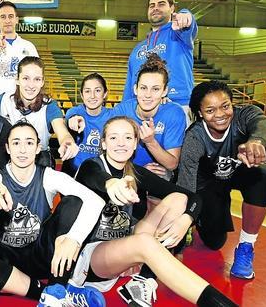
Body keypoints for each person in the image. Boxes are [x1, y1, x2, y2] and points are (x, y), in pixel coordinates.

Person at [71, 116, 237, 307]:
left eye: (127, 138)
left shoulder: (135, 172)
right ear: (104, 144)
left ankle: (143, 280)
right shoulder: (90, 166)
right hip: (89, 257)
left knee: (178, 199)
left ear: (135, 144)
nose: (121, 143)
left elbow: (193, 199)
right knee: (145, 243)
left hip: (124, 247)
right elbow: (96, 177)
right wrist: (112, 184)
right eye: (114, 138)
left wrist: (186, 220)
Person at [0, 121, 107, 306]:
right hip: (7, 258)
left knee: (74, 202)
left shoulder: (49, 176)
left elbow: (96, 200)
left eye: (29, 143)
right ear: (7, 148)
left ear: (38, 148)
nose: (22, 149)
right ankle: (48, 294)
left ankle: (56, 287)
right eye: (16, 143)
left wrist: (74, 238)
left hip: (41, 254)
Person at [177, 80, 266, 280]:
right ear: (200, 113)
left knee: (263, 174)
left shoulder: (243, 117)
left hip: (240, 173)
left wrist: (256, 140)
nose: (220, 114)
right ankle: (199, 222)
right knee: (214, 243)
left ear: (232, 104)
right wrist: (185, 220)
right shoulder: (194, 138)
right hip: (209, 185)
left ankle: (246, 248)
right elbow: (186, 187)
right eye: (211, 110)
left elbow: (262, 123)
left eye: (225, 106)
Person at [122, 0, 197, 121]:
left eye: (161, 4)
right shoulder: (137, 49)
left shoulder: (178, 34)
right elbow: (129, 87)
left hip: (178, 105)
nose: (155, 8)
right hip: (142, 112)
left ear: (172, 8)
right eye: (152, 5)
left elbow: (188, 24)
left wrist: (186, 15)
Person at [113, 54, 186, 180]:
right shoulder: (121, 111)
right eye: (143, 88)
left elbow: (172, 164)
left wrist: (150, 142)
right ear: (135, 89)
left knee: (163, 175)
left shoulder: (174, 113)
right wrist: (138, 171)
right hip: (127, 170)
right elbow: (109, 153)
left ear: (164, 91)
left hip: (157, 170)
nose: (148, 95)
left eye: (155, 89)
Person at [0, 56, 78, 167]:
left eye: (37, 79)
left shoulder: (49, 106)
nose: (31, 85)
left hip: (38, 159)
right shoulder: (2, 101)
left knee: (44, 159)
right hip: (9, 157)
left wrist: (67, 141)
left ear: (42, 82)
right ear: (17, 79)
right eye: (26, 78)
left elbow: (61, 130)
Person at [0, 1, 39, 96]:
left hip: (22, 101)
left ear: (17, 20)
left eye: (11, 16)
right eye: (3, 17)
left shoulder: (29, 46)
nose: (7, 21)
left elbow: (37, 73)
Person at [64, 73, 112, 176]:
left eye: (97, 91)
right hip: (74, 172)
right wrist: (74, 118)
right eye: (87, 91)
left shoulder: (111, 116)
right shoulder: (75, 112)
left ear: (105, 94)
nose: (92, 96)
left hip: (100, 173)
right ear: (81, 95)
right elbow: (70, 115)